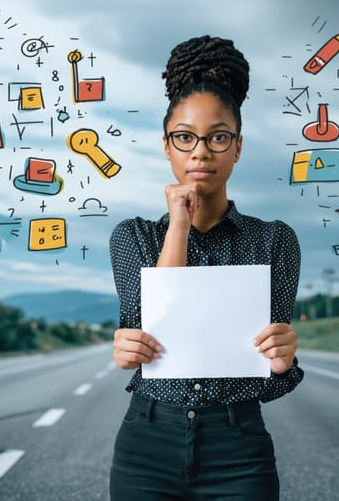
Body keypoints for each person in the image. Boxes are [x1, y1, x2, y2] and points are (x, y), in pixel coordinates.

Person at [108, 35, 304, 500]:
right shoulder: (134, 236)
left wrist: (282, 362)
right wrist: (179, 223)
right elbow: (145, 331)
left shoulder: (274, 239)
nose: (201, 151)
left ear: (236, 148)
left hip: (238, 444)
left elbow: (271, 377)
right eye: (185, 137)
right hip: (147, 440)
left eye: (218, 137)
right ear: (167, 146)